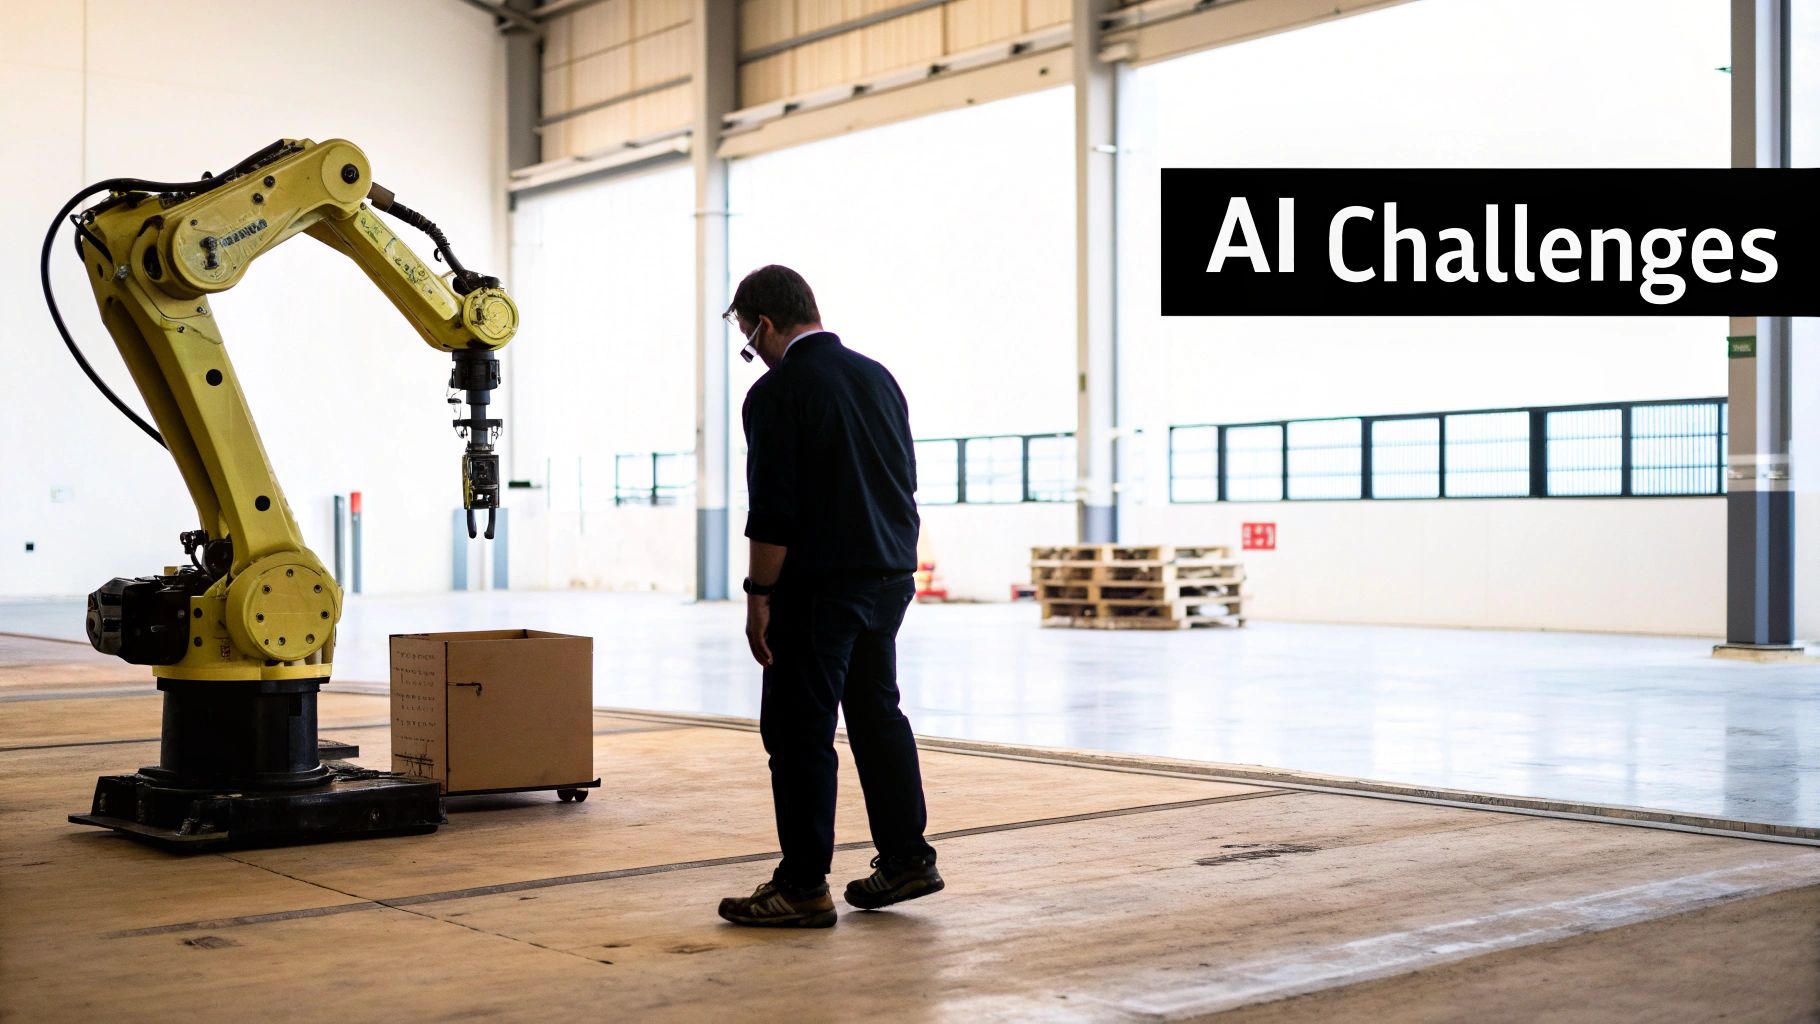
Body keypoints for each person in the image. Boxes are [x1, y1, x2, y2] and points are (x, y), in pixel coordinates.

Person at [716, 265, 942, 929]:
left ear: (761, 322)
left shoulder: (777, 391)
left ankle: (801, 885)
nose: (750, 351)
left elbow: (774, 510)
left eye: (747, 337)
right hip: (889, 575)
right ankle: (906, 858)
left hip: (818, 586)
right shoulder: (878, 377)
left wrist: (760, 594)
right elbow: (903, 478)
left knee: (798, 732)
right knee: (876, 715)